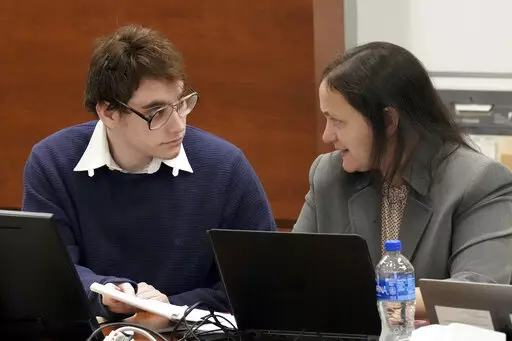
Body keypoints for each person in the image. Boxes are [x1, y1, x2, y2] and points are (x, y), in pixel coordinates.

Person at [22, 25, 276, 320]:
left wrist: (172, 308)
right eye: (157, 112)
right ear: (108, 112)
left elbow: (261, 282)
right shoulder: (53, 161)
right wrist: (107, 291)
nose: (177, 125)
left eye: (181, 104)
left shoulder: (224, 166)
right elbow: (49, 272)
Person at [293, 41, 512, 317]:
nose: (327, 135)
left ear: (388, 121)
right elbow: (291, 275)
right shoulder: (329, 175)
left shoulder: (478, 182)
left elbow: (476, 295)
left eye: (338, 121)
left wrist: (366, 299)